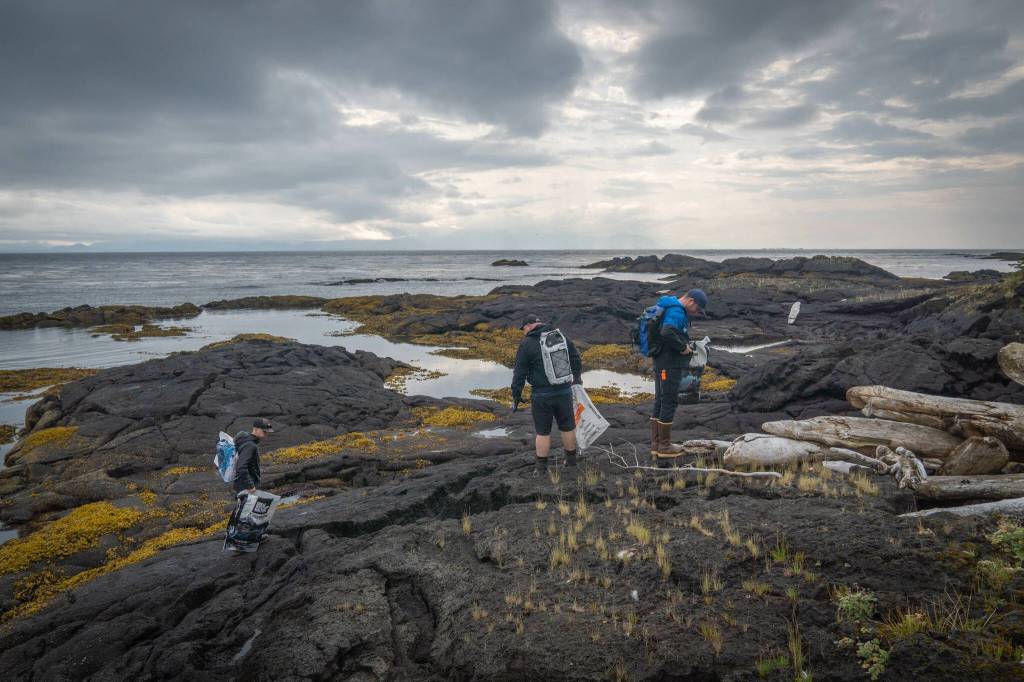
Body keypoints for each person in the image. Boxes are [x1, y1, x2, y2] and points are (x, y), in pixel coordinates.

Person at [511, 315, 583, 475]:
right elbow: (575, 357)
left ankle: (541, 468)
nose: (523, 333)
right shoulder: (559, 335)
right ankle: (571, 462)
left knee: (543, 432)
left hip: (541, 395)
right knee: (568, 426)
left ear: (529, 326)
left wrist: (516, 396)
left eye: (523, 329)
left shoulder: (527, 343)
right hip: (564, 390)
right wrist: (577, 379)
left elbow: (519, 373)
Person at [649, 289, 708, 463]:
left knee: (660, 401)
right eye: (697, 310)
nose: (696, 313)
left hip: (661, 362)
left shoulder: (667, 305)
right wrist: (683, 348)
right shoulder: (676, 311)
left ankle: (656, 445)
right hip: (669, 364)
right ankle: (665, 447)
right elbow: (667, 332)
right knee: (669, 401)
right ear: (691, 301)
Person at [232, 418, 274, 494]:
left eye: (266, 432)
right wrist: (250, 486)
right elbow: (241, 467)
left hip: (240, 484)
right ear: (255, 429)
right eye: (264, 431)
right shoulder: (250, 445)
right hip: (245, 488)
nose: (266, 434)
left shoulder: (245, 440)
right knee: (245, 505)